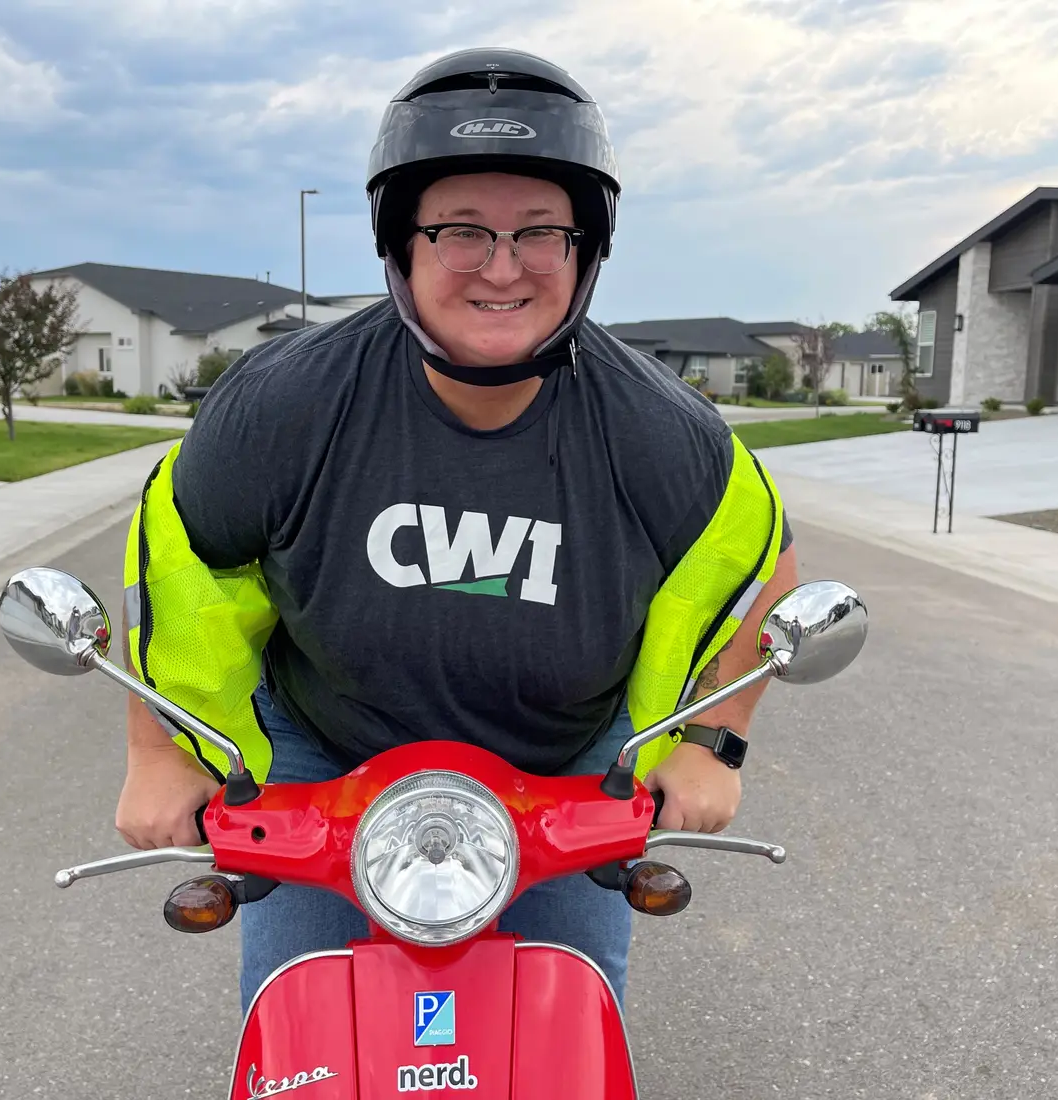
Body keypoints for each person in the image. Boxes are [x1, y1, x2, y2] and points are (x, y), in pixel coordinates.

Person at [114, 46, 798, 1015]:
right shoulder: (283, 404)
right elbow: (173, 554)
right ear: (401, 242)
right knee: (296, 1034)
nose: (502, 267)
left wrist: (713, 740)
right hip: (326, 762)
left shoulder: (661, 432)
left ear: (584, 247)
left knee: (572, 1040)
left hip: (564, 775)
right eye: (461, 230)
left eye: (539, 232)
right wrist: (159, 752)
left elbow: (760, 566)